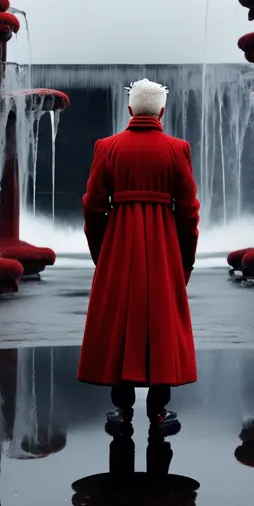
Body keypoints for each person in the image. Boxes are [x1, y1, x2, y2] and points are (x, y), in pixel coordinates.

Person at [77, 78, 199, 431]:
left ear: (130, 110)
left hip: (119, 243)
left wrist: (101, 252)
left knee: (119, 320)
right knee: (161, 321)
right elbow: (189, 210)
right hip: (163, 247)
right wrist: (185, 259)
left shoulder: (107, 147)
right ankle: (159, 413)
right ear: (162, 110)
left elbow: (93, 206)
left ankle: (123, 412)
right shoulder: (178, 149)